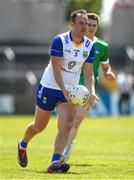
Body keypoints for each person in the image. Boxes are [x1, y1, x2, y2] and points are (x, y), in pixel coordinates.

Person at [17, 9, 98, 173]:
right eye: (81, 23)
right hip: (49, 87)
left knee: (67, 125)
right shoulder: (59, 40)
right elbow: (56, 68)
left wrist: (89, 92)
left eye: (87, 24)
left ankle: (55, 162)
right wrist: (63, 90)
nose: (85, 27)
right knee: (39, 126)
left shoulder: (90, 46)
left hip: (69, 92)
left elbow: (88, 72)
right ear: (72, 24)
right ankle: (22, 144)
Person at [61, 13, 116, 163]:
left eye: (93, 25)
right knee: (66, 122)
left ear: (97, 27)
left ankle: (64, 153)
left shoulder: (102, 46)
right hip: (70, 86)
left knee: (76, 121)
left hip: (88, 89)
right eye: (88, 24)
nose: (90, 28)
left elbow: (105, 67)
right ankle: (63, 149)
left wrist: (108, 72)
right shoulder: (76, 42)